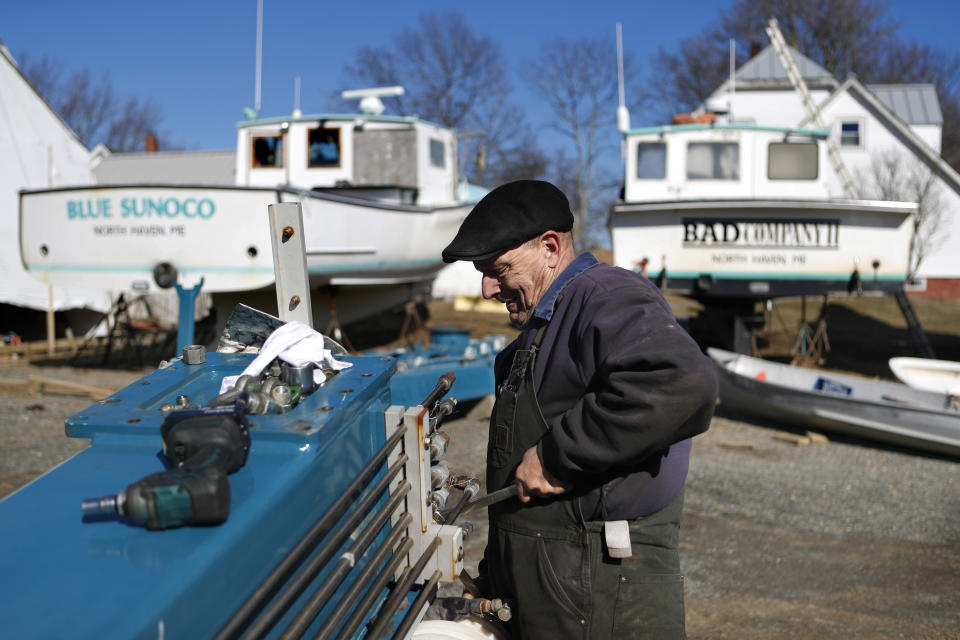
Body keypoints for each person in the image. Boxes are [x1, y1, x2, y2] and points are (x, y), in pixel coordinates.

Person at [441, 180, 717, 639]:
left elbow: (681, 381)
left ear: (550, 248)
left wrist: (556, 455)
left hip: (602, 585)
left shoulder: (606, 295)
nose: (488, 288)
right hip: (548, 586)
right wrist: (495, 574)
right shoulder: (529, 340)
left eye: (498, 269)